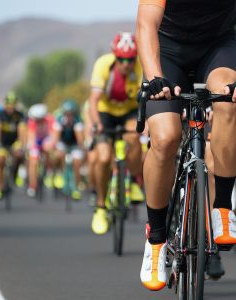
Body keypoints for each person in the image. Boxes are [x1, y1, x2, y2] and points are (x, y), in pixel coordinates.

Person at [136, 0, 236, 290]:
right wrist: (155, 76)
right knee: (166, 137)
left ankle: (221, 207)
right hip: (167, 50)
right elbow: (146, 24)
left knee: (228, 100)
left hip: (217, 48)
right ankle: (156, 240)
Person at [89, 32, 144, 235]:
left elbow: (145, 101)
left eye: (130, 59)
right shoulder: (103, 65)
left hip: (128, 111)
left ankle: (133, 179)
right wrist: (96, 124)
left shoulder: (139, 66)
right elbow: (93, 100)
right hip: (106, 113)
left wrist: (144, 124)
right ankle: (101, 207)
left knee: (133, 137)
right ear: (114, 56)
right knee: (103, 157)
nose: (126, 64)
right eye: (121, 59)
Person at [0, 92, 26, 200]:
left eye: (13, 104)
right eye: (9, 104)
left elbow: (22, 130)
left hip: (14, 141)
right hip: (2, 142)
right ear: (5, 104)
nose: (10, 107)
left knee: (18, 154)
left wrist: (22, 144)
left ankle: (15, 173)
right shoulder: (0, 114)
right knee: (0, 161)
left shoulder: (20, 115)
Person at [53, 99, 85, 200]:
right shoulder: (59, 120)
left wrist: (81, 149)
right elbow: (56, 138)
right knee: (58, 155)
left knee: (77, 162)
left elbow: (80, 140)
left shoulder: (78, 121)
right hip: (62, 143)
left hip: (74, 144)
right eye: (67, 114)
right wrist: (56, 148)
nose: (69, 116)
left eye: (71, 114)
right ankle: (60, 174)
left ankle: (76, 187)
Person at [27, 104, 56, 197]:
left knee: (48, 150)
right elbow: (31, 137)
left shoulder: (50, 120)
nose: (37, 121)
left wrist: (50, 144)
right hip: (37, 140)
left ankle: (49, 169)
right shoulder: (32, 122)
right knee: (33, 162)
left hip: (47, 138)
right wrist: (32, 147)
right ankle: (32, 186)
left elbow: (53, 135)